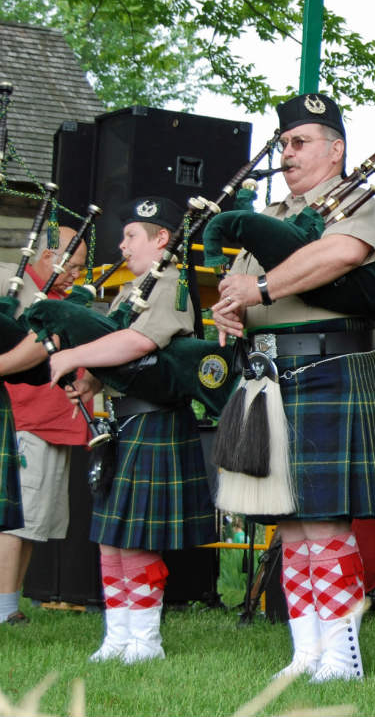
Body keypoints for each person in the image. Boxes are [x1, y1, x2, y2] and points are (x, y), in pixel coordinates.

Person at [212, 93, 375, 683]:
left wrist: (260, 289)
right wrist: (228, 306)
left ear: (336, 148)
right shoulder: (271, 214)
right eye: (284, 143)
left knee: (324, 520)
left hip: (329, 365)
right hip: (268, 374)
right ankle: (306, 649)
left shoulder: (354, 202)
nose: (287, 153)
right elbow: (235, 283)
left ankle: (341, 654)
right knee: (288, 519)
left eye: (301, 142)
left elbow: (338, 257)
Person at [48, 198, 215, 663]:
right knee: (112, 534)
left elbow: (141, 341)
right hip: (126, 419)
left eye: (131, 236)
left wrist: (75, 357)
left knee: (136, 537)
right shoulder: (131, 289)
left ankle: (145, 639)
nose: (122, 246)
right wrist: (90, 382)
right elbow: (118, 353)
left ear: (162, 239)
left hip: (156, 417)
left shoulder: (171, 281)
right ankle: (117, 635)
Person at [0, 226, 89, 626]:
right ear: (50, 255)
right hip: (27, 420)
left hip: (53, 424)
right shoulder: (18, 291)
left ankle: (9, 604)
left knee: (33, 523)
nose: (77, 275)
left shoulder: (57, 298)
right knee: (13, 522)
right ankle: (3, 609)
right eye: (74, 265)